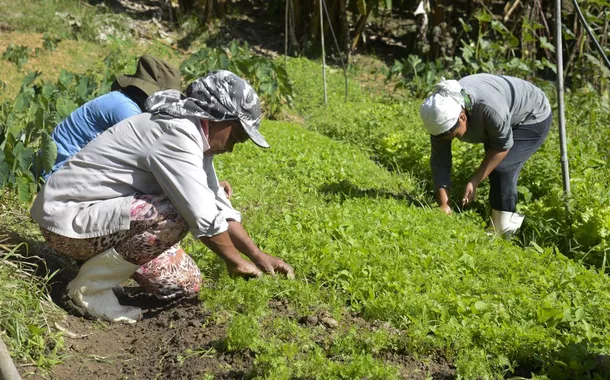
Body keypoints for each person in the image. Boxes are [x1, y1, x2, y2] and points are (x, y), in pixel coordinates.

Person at [30, 70, 294, 324]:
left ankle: (99, 274)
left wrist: (258, 256)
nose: (231, 148)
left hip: (97, 220)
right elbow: (202, 216)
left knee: (184, 284)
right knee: (177, 212)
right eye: (235, 137)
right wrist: (235, 262)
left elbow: (217, 203)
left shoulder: (195, 135)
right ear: (216, 116)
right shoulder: (177, 133)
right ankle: (88, 291)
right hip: (67, 222)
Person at [419, 74, 552, 235]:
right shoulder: (439, 115)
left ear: (462, 117)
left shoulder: (489, 109)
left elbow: (502, 147)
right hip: (501, 113)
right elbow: (440, 160)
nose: (449, 139)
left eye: (453, 135)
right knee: (493, 166)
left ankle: (503, 229)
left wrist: (474, 181)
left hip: (532, 114)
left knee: (502, 168)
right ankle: (499, 218)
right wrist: (444, 204)